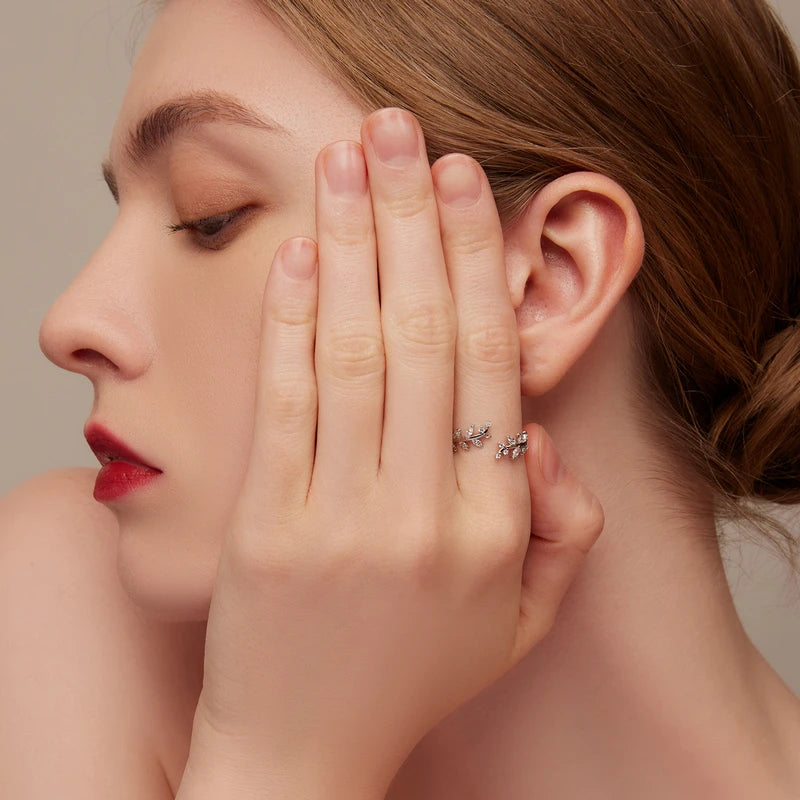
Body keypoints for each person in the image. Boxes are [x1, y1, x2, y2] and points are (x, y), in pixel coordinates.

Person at [2, 0, 799, 797]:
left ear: (548, 280)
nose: (70, 322)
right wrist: (277, 762)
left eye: (209, 217)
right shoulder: (70, 610)